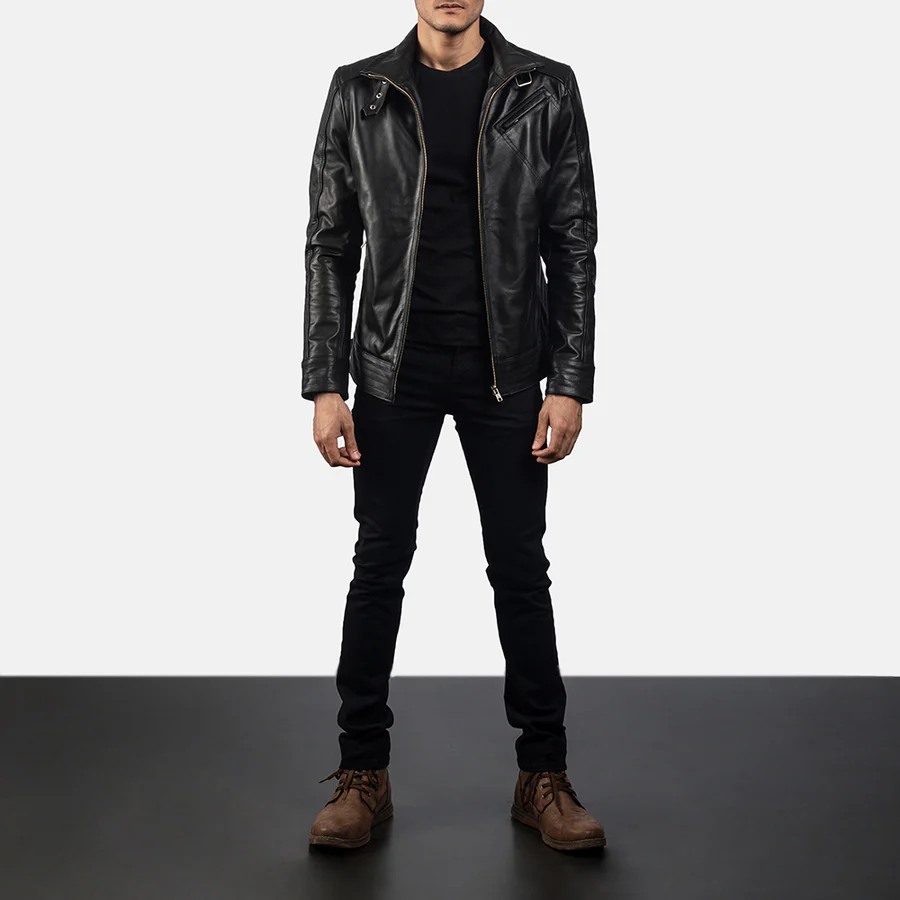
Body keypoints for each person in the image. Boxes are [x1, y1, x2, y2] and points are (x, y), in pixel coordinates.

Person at [303, 0, 605, 852]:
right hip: (390, 370)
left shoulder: (544, 89)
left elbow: (573, 241)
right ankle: (362, 774)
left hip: (506, 371)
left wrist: (568, 380)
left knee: (520, 568)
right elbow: (331, 243)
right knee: (378, 564)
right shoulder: (360, 91)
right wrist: (325, 382)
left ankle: (543, 776)